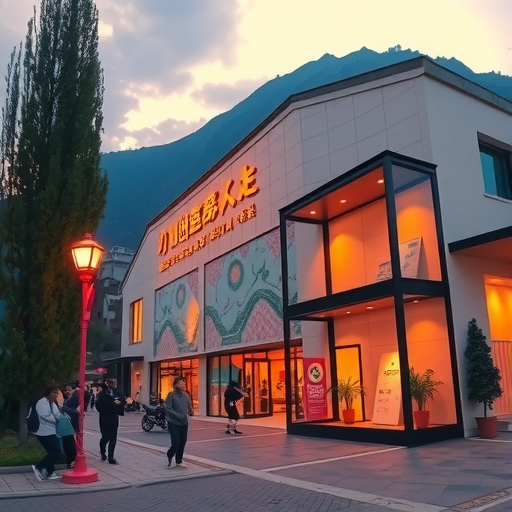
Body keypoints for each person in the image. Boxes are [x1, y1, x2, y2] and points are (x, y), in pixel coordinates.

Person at [32, 385, 62, 481]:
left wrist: (59, 417)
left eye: (56, 393)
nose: (55, 395)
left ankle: (50, 472)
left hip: (50, 431)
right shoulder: (42, 402)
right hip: (44, 432)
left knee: (52, 452)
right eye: (53, 392)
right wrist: (55, 421)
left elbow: (57, 414)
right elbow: (45, 416)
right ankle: (39, 467)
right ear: (48, 393)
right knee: (56, 451)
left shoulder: (51, 402)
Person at [165, 376, 193, 468]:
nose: (183, 384)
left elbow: (189, 406)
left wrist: (190, 411)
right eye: (180, 383)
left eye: (183, 383)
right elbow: (168, 408)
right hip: (173, 422)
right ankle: (170, 454)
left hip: (184, 422)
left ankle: (179, 460)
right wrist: (178, 415)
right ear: (175, 385)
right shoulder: (171, 395)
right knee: (176, 442)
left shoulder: (186, 396)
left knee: (182, 442)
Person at [95, 378, 124, 464]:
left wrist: (120, 404)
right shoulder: (102, 394)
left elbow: (122, 402)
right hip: (104, 417)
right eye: (111, 383)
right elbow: (99, 406)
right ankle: (103, 451)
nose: (113, 385)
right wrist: (112, 403)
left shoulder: (118, 393)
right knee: (105, 437)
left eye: (114, 383)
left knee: (113, 437)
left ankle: (111, 456)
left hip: (114, 416)